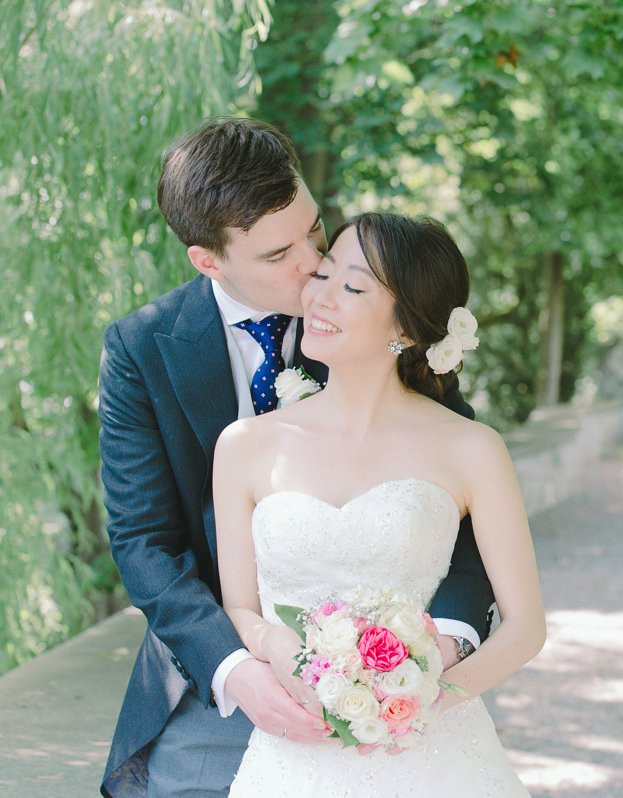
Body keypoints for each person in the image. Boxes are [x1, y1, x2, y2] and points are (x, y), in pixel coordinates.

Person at [98, 118, 495, 797]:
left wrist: (440, 646)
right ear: (208, 260)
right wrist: (237, 669)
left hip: (390, 675)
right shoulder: (142, 349)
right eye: (280, 254)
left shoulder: (376, 309)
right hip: (216, 667)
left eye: (313, 228)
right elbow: (144, 541)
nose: (314, 263)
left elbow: (456, 500)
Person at [214, 212, 545, 796]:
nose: (320, 297)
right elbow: (239, 607)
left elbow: (525, 627)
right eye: (324, 273)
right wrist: (274, 643)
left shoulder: (471, 448)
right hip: (293, 753)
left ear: (408, 331)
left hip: (435, 755)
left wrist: (425, 699)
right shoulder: (247, 445)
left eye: (353, 286)